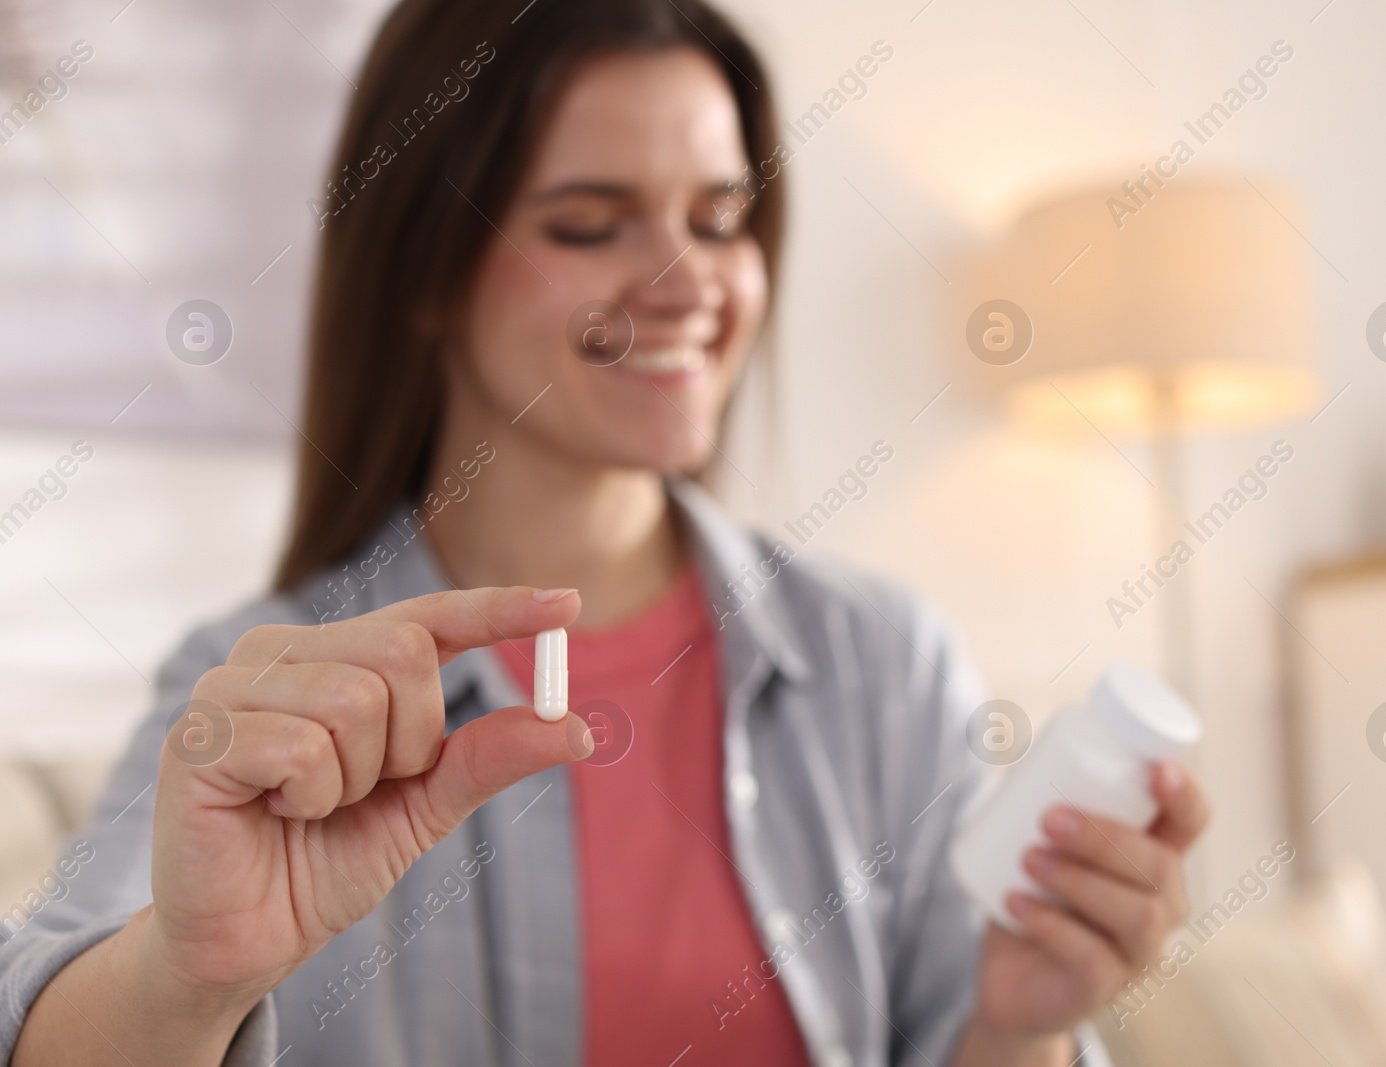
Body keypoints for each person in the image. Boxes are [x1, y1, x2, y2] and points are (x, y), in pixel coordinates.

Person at [2, 1, 1208, 1063]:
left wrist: (1022, 1021)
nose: (688, 279)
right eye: (592, 224)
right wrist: (186, 975)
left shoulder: (883, 664)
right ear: (425, 269)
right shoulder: (265, 686)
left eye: (721, 218)